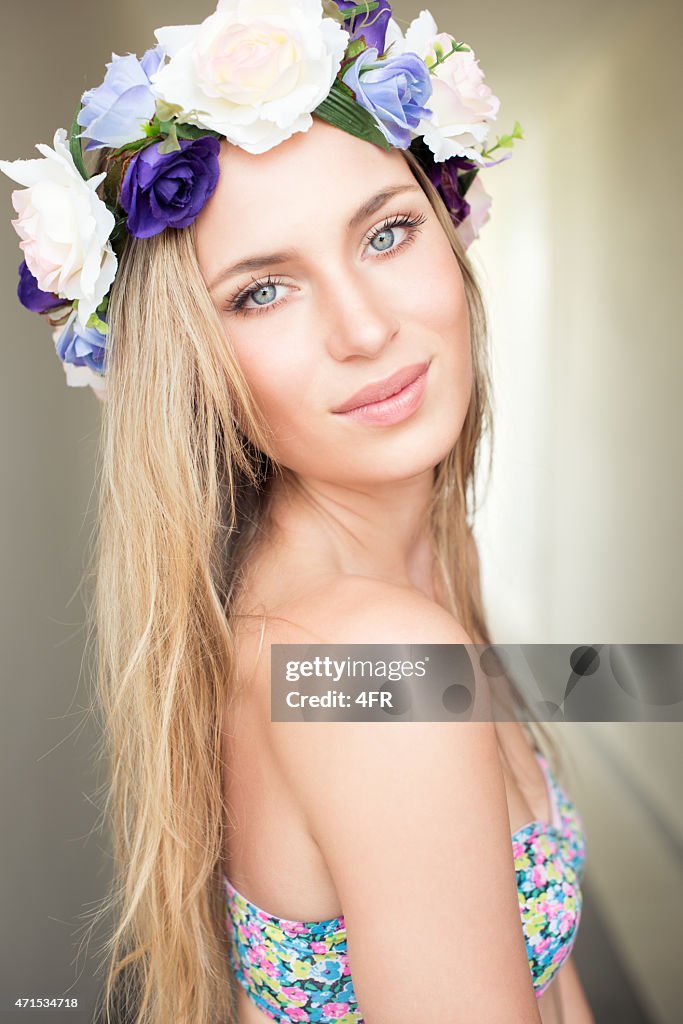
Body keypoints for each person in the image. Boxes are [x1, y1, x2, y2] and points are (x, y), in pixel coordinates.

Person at [0, 3, 594, 1022]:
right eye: (262, 291)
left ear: (449, 235)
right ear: (188, 369)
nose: (365, 328)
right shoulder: (375, 657)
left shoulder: (394, 581)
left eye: (387, 231)